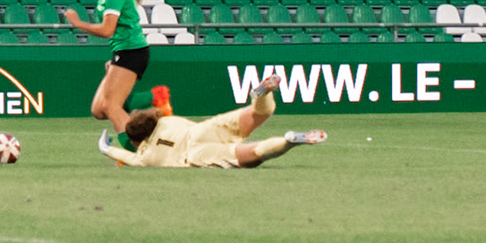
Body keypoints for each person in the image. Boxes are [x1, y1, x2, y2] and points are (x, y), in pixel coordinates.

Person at [99, 73, 326, 169]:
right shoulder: (166, 121)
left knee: (254, 153)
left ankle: (289, 141)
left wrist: (106, 148)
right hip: (203, 130)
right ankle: (261, 95)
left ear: (138, 140)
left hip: (196, 155)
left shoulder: (145, 156)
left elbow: (127, 156)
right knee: (259, 114)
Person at [61, 0, 151, 133]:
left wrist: (79, 24)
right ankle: (156, 98)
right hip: (123, 51)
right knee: (98, 110)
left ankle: (135, 149)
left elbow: (108, 29)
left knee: (111, 106)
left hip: (132, 51)